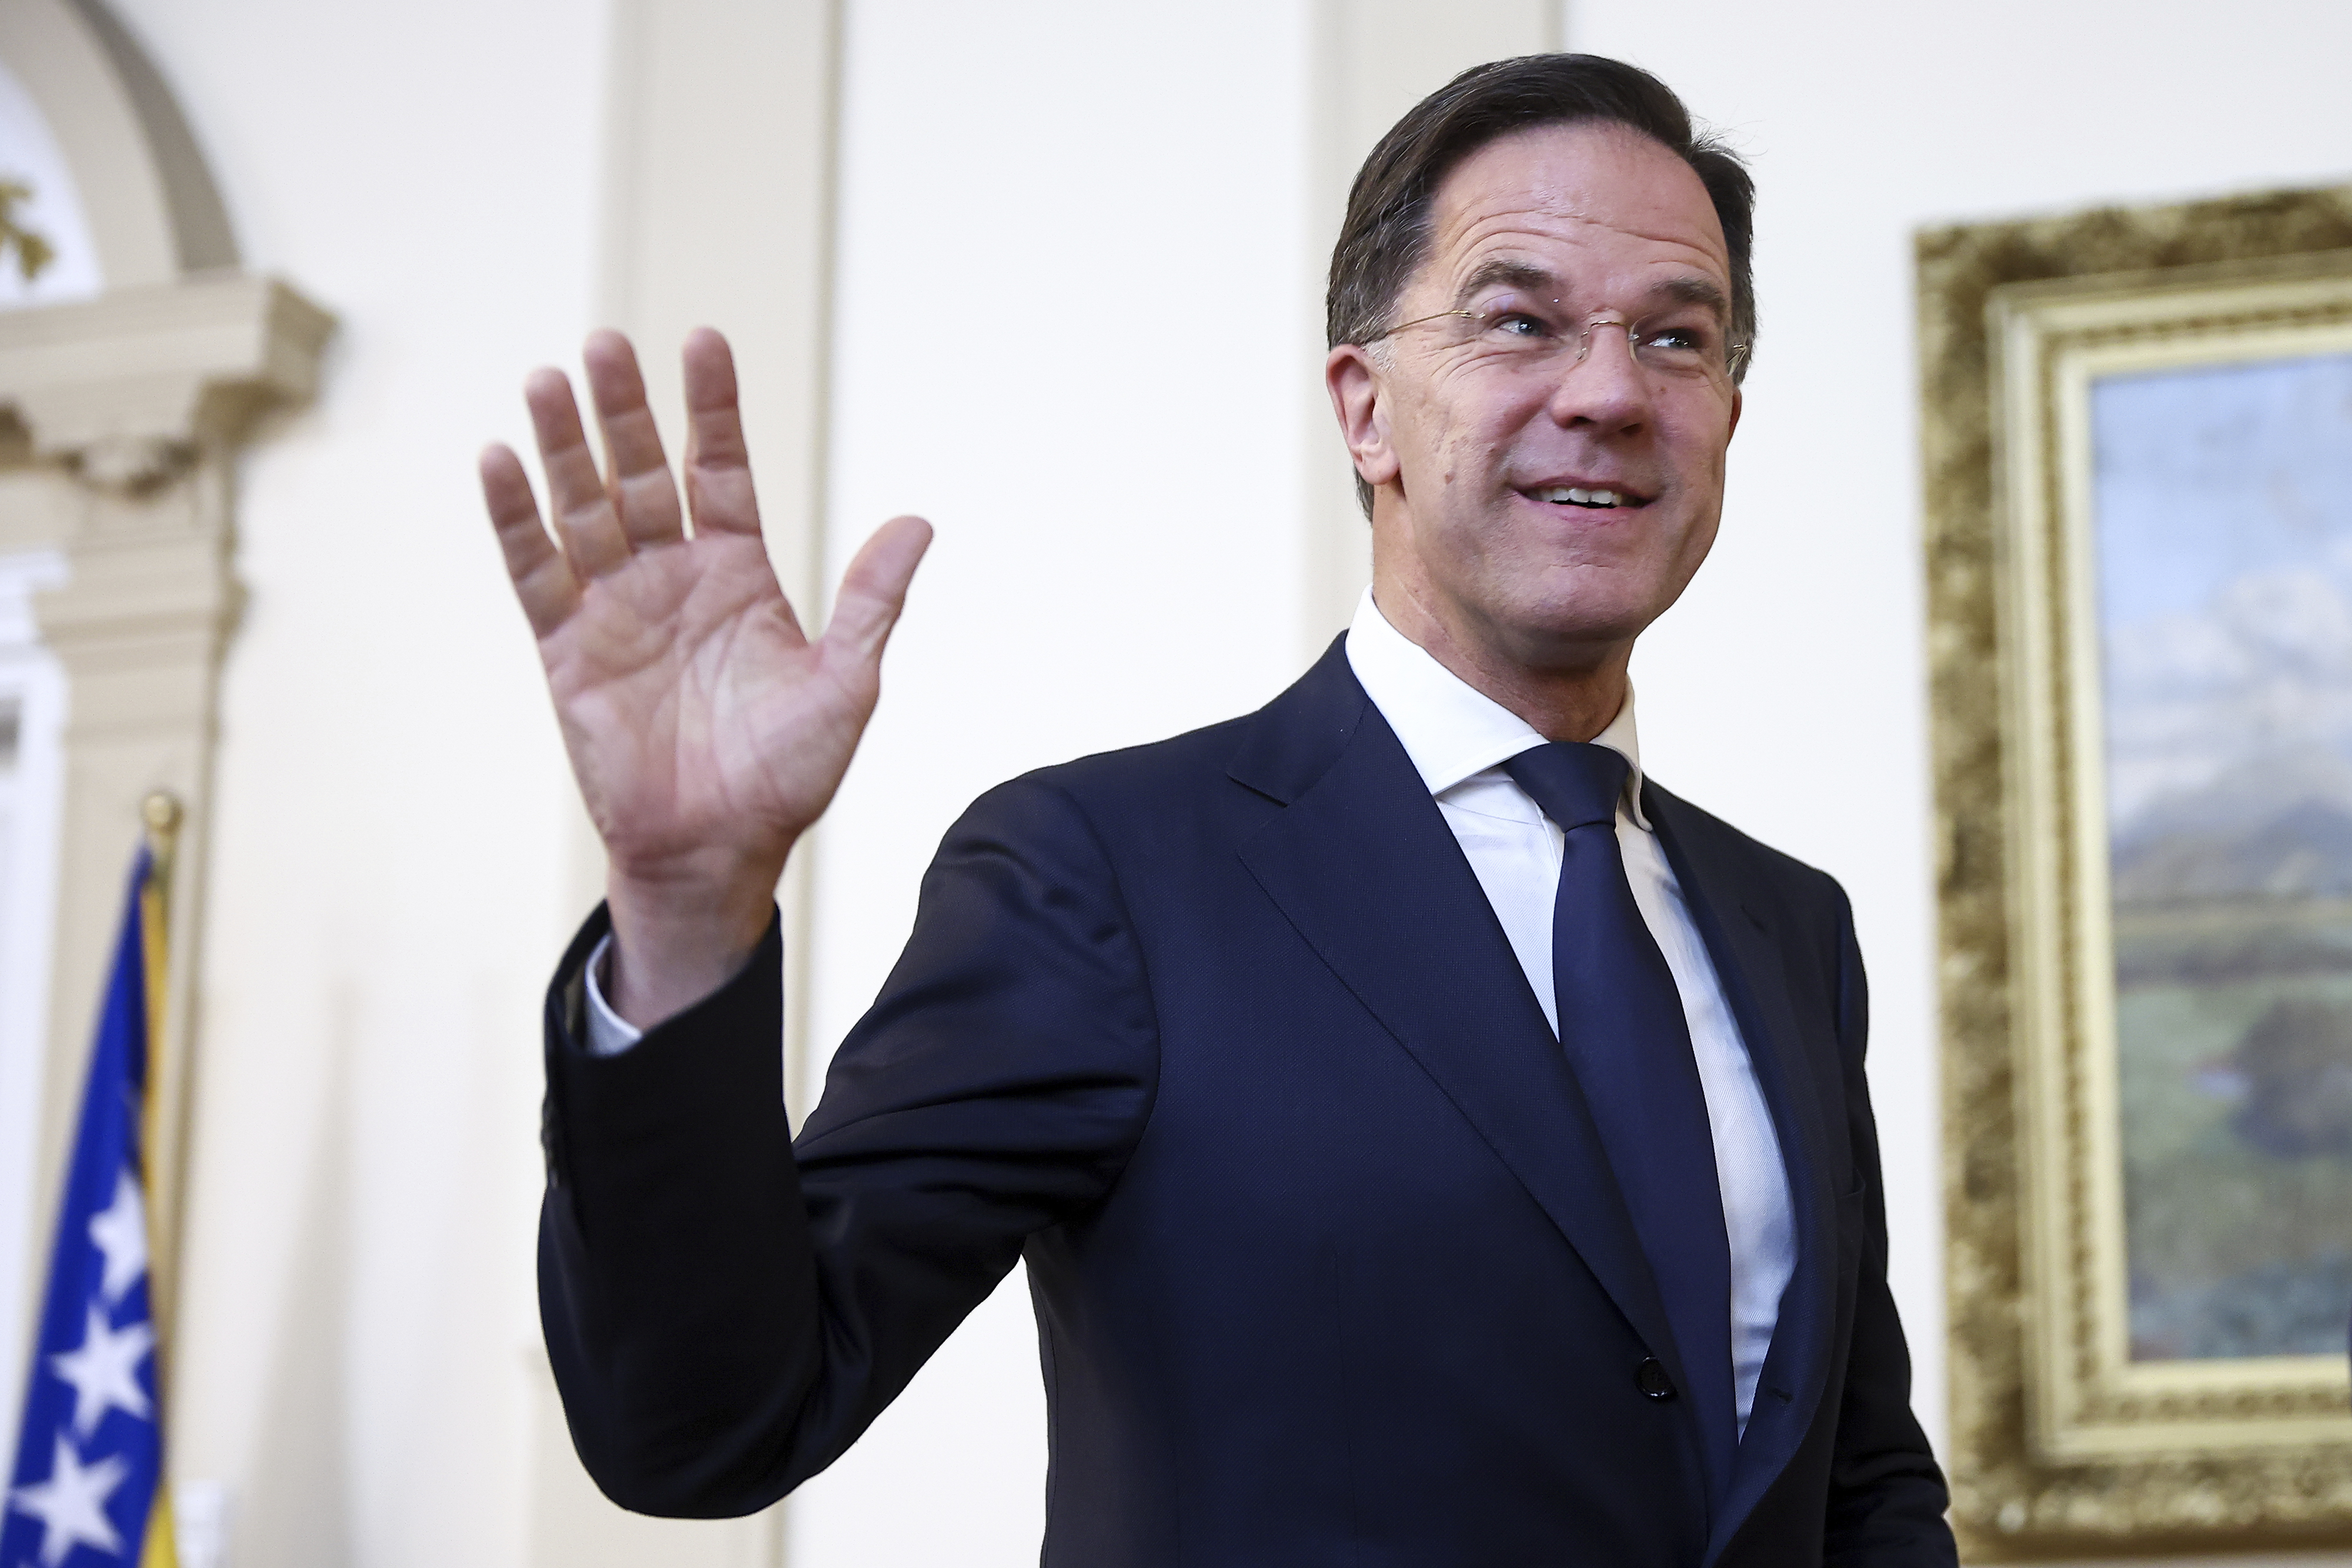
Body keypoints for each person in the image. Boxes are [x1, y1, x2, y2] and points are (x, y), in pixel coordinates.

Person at [482, 53, 1957, 1567]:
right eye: (1520, 320)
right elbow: (711, 1419)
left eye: (1676, 339)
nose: (1608, 392)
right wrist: (679, 917)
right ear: (1365, 408)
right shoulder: (1106, 878)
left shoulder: (1791, 925)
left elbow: (1858, 1484)